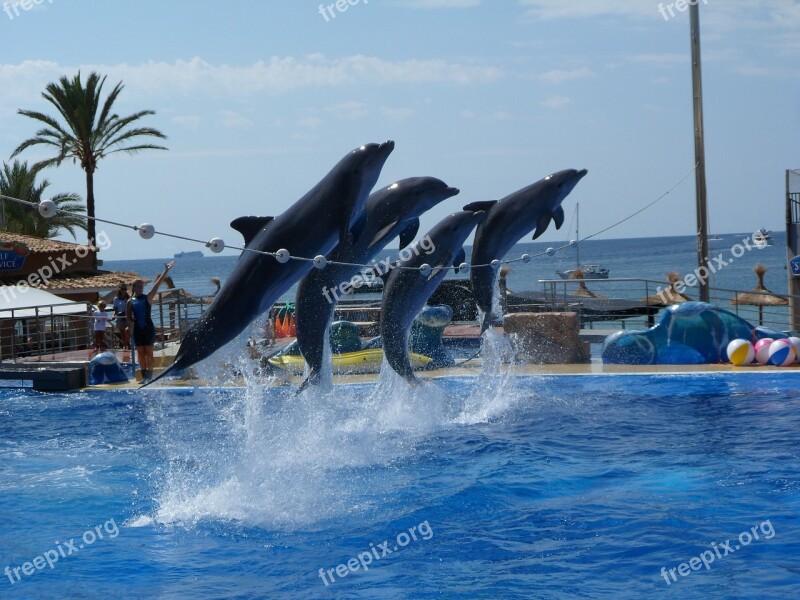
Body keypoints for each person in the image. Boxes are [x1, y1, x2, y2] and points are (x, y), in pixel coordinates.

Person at [127, 261, 175, 382]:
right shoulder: (130, 301)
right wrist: (133, 325)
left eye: (142, 286)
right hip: (138, 330)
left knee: (149, 352)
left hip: (148, 328)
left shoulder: (147, 297)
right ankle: (144, 377)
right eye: (138, 286)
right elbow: (129, 317)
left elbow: (157, 285)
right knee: (140, 354)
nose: (141, 288)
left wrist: (166, 271)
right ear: (134, 288)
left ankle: (150, 376)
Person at [112, 283, 131, 348]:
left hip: (127, 316)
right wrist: (114, 315)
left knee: (127, 331)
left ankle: (127, 343)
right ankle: (125, 345)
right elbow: (115, 309)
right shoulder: (116, 299)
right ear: (119, 289)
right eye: (122, 289)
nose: (124, 290)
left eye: (125, 289)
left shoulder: (129, 298)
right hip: (119, 316)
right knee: (122, 333)